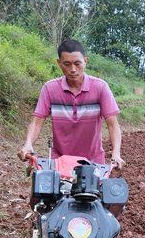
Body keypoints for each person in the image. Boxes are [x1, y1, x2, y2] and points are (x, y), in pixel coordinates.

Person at [17, 39, 125, 169]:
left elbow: (113, 125)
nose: (73, 69)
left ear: (85, 62)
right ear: (59, 63)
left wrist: (116, 153)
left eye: (77, 63)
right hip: (59, 162)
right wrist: (28, 143)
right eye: (67, 64)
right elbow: (36, 122)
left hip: (92, 162)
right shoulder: (50, 89)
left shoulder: (100, 87)